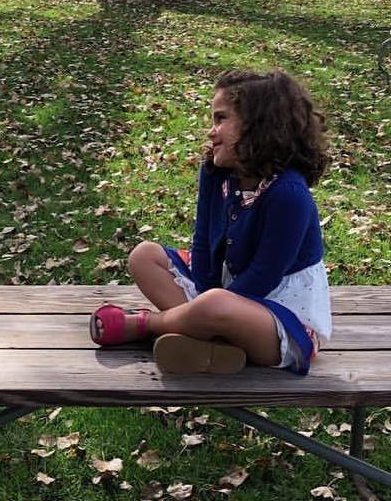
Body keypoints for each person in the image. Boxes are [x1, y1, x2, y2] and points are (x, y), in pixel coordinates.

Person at [90, 69, 332, 375]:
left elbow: (264, 276)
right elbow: (202, 242)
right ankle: (212, 344)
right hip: (223, 297)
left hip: (281, 322)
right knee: (144, 256)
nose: (211, 130)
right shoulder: (216, 174)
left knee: (216, 305)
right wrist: (202, 300)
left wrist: (206, 307)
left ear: (259, 126)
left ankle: (147, 325)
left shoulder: (289, 195)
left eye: (221, 119)